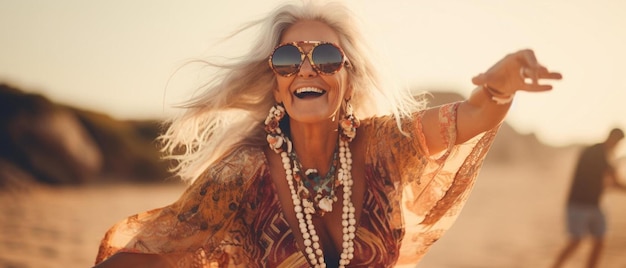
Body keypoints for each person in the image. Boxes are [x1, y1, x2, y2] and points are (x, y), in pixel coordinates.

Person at [93, 1, 562, 267]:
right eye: (286, 59)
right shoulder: (244, 171)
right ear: (277, 83)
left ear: (349, 77)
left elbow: (474, 115)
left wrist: (499, 87)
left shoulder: (386, 144)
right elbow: (155, 251)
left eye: (326, 56)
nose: (305, 69)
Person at [552, 128, 625, 268]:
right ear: (612, 138)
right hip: (579, 203)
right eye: (618, 142)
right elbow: (614, 181)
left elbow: (605, 182)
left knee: (600, 240)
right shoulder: (597, 152)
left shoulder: (602, 153)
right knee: (576, 240)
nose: (617, 145)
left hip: (595, 204)